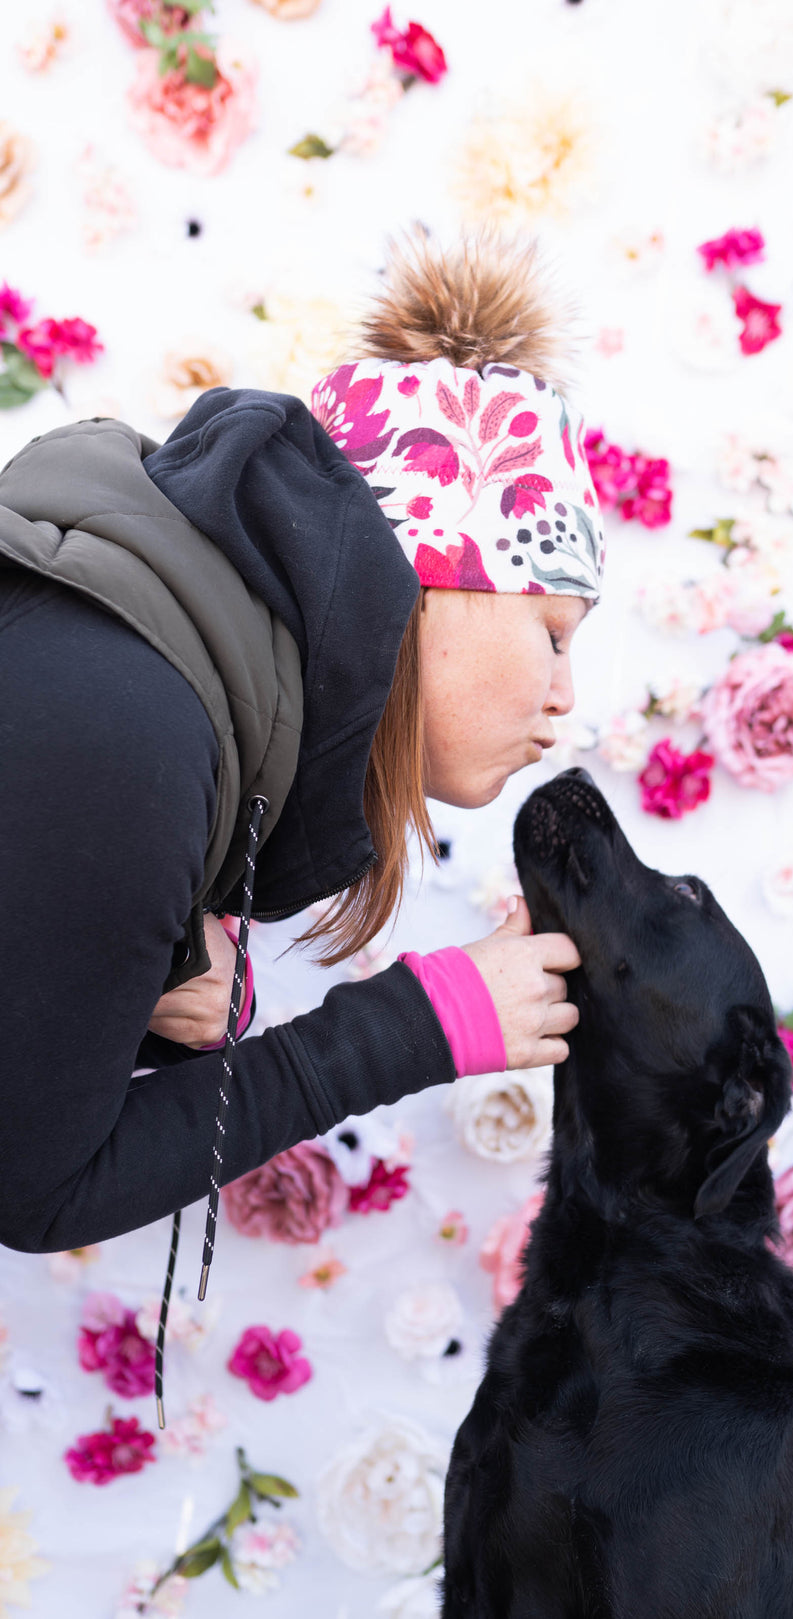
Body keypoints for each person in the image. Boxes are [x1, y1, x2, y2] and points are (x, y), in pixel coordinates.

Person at [0, 227, 604, 1261]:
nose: (565, 702)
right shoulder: (141, 729)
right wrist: (422, 1023)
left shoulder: (147, 674)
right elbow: (35, 1188)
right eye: (551, 634)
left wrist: (136, 987)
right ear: (433, 580)